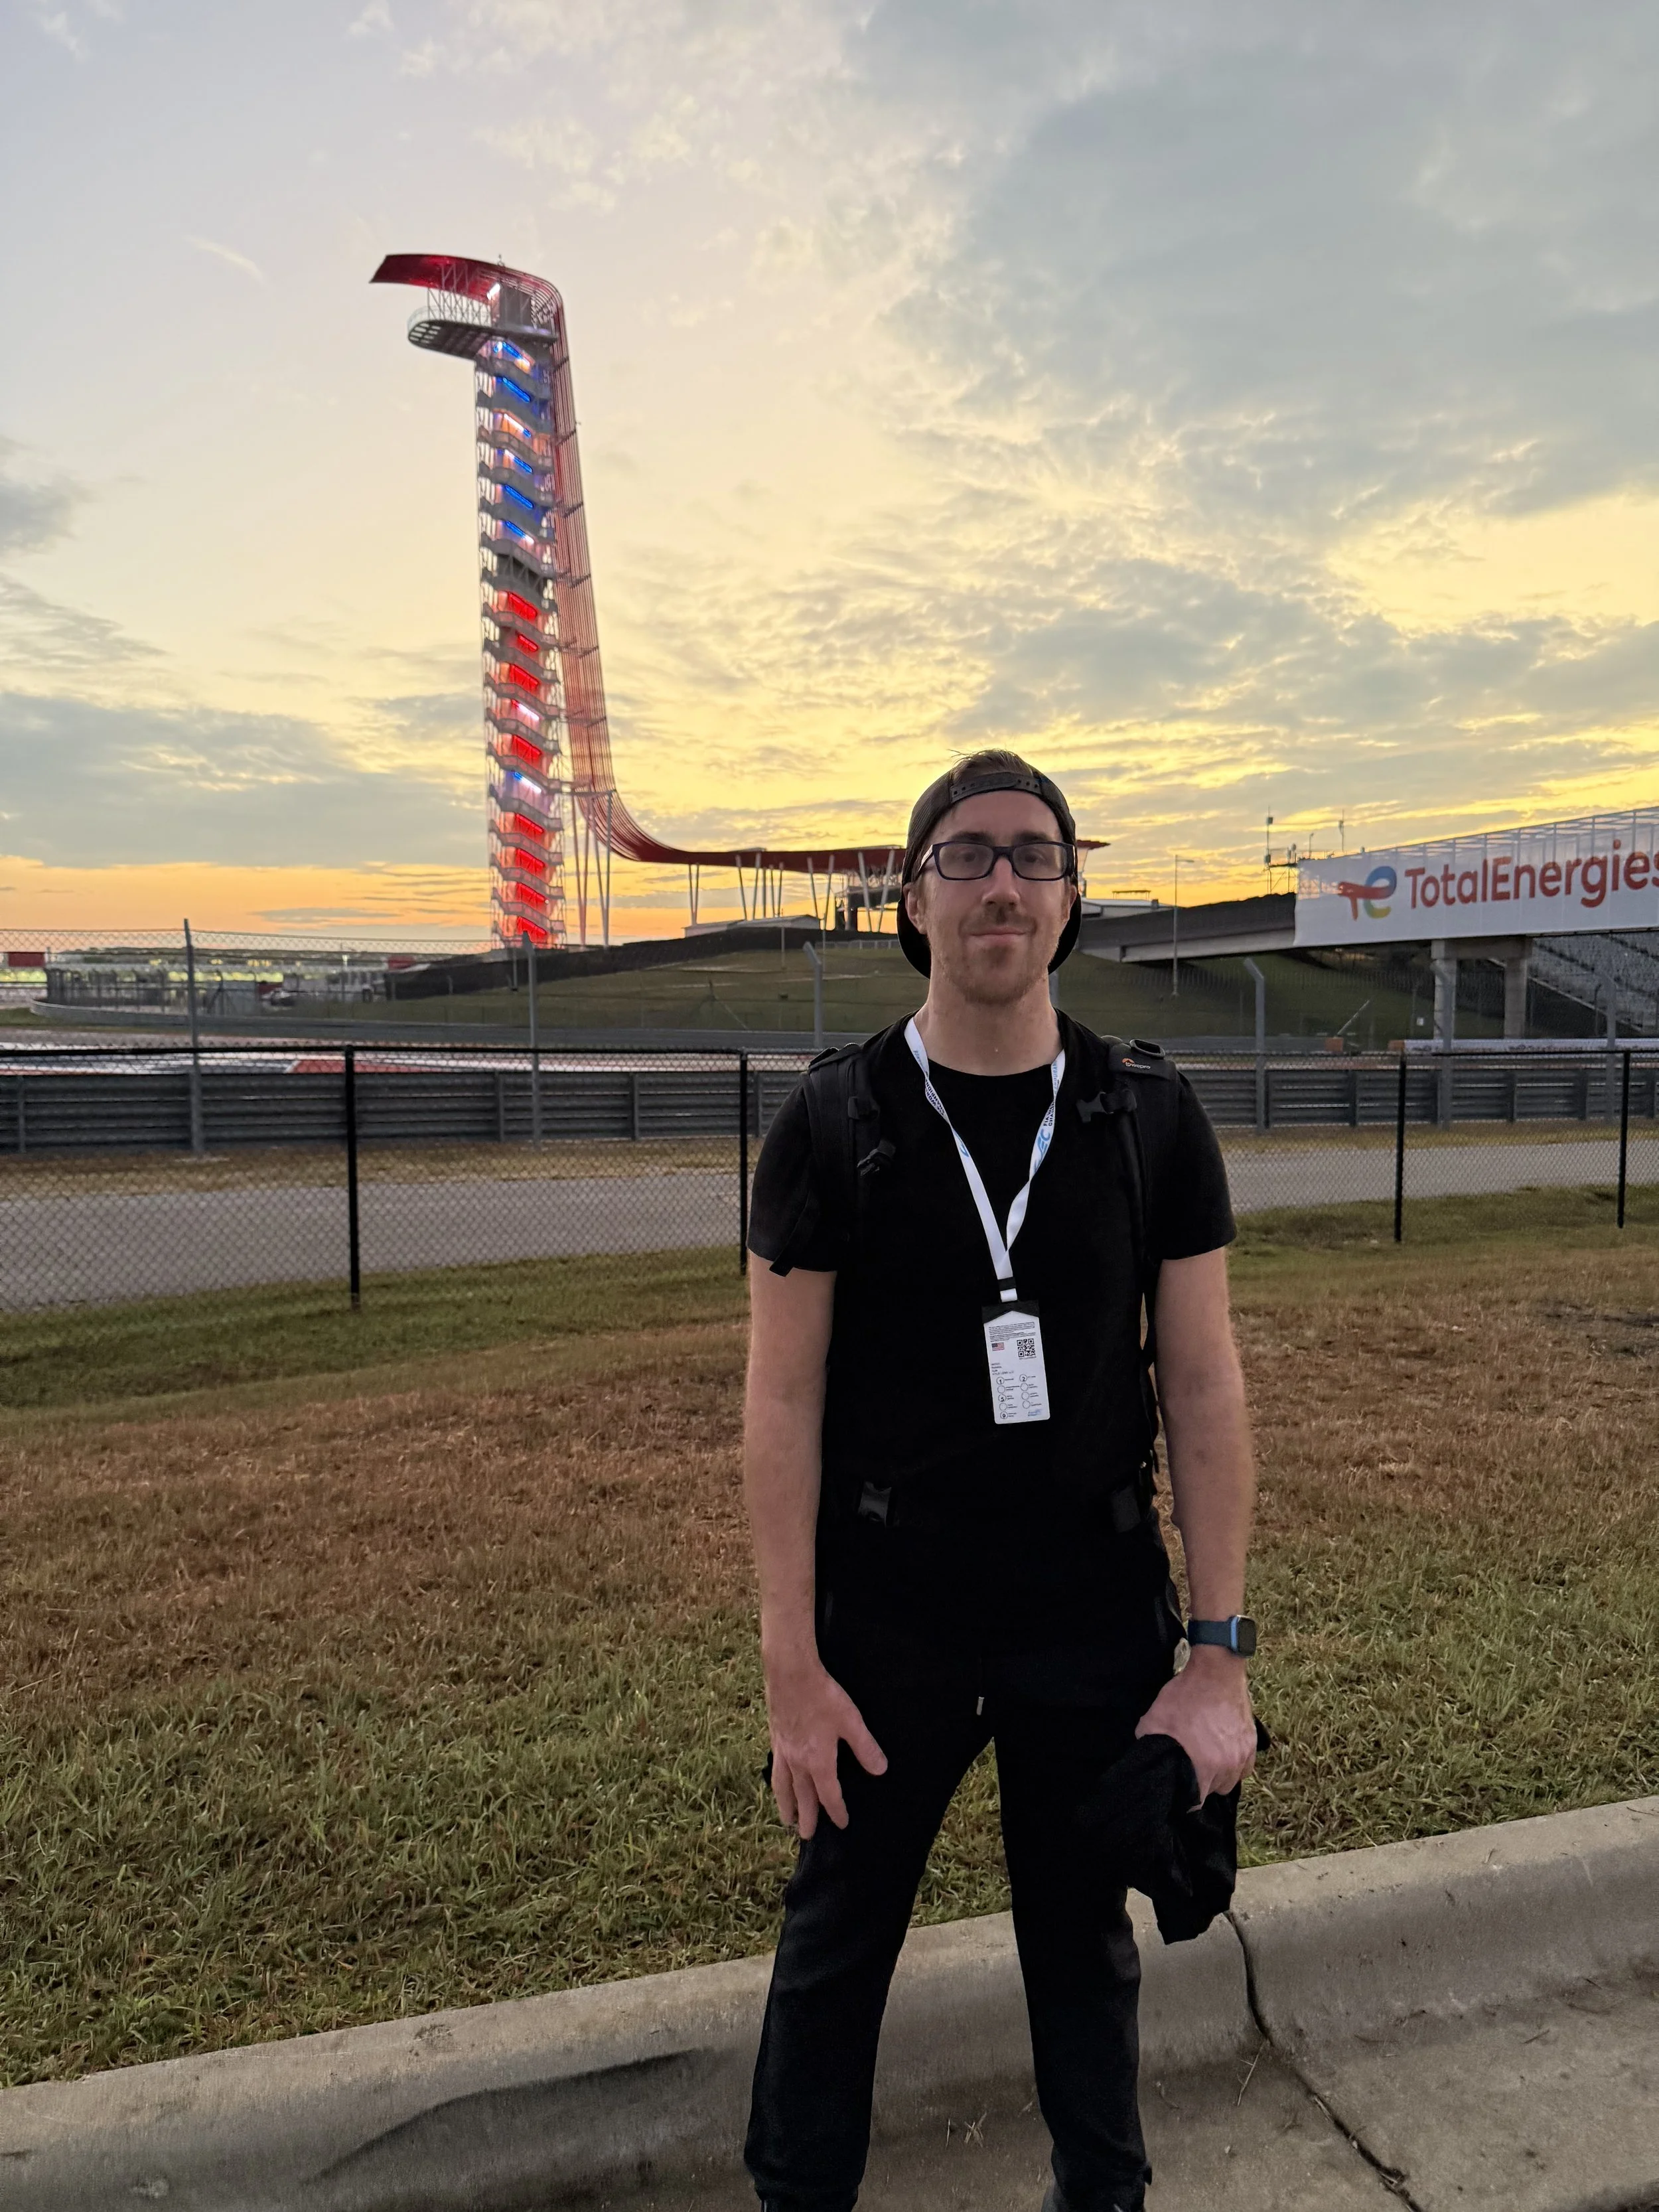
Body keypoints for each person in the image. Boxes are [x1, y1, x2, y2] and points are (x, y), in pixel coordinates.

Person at [741, 751, 1258, 2212]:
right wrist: (791, 1661)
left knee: (1081, 1950)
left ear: (1071, 896)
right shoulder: (832, 1124)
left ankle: (1102, 2198)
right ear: (909, 900)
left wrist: (1215, 1659)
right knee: (834, 1947)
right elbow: (778, 1405)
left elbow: (1204, 1389)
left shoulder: (1147, 1119)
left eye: (1034, 855)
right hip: (886, 1611)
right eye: (963, 856)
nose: (1002, 883)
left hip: (1086, 1603)